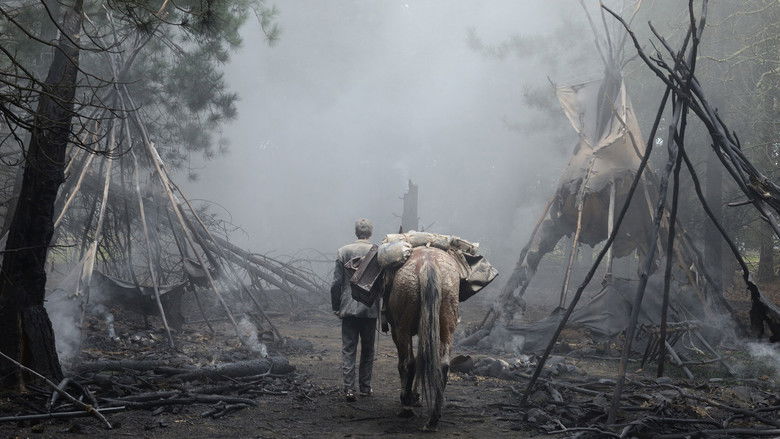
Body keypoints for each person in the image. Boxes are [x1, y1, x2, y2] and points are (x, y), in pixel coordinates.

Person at [331, 218, 379, 402]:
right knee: (368, 350)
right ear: (370, 233)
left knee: (348, 349)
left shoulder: (343, 251)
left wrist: (336, 306)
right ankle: (365, 388)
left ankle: (349, 389)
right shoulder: (378, 252)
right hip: (369, 308)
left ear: (356, 232)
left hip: (348, 308)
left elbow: (336, 283)